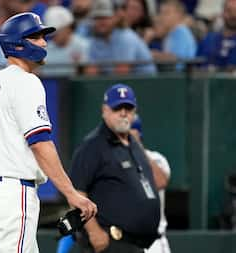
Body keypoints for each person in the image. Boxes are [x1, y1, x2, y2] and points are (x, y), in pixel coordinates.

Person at [0, 12, 97, 252]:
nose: (43, 43)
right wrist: (71, 194)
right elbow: (39, 143)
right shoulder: (26, 82)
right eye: (36, 37)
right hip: (12, 195)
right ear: (17, 43)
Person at [68, 84, 160, 253]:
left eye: (128, 108)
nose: (123, 113)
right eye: (118, 108)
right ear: (105, 110)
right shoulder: (93, 145)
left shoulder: (134, 145)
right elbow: (75, 193)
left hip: (134, 244)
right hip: (108, 242)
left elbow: (157, 183)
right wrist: (94, 232)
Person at [130, 115, 171, 253]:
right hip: (123, 241)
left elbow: (160, 181)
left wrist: (136, 147)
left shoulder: (156, 158)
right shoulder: (113, 161)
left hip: (153, 243)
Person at [85, 0, 156, 75]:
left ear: (116, 17)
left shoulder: (126, 37)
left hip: (144, 83)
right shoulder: (95, 38)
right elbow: (91, 73)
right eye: (97, 18)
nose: (101, 22)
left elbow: (121, 74)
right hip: (118, 83)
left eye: (106, 17)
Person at [197, 0, 236, 71]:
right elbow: (196, 64)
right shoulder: (209, 39)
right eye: (229, 11)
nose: (233, 15)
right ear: (222, 13)